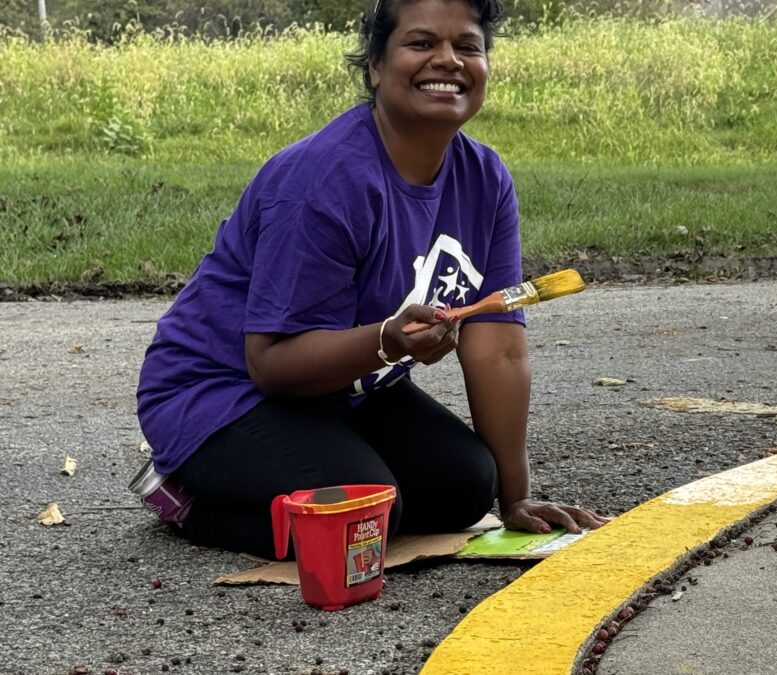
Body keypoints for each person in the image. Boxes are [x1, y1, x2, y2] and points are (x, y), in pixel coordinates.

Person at [134, 0, 607, 560]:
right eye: (422, 43)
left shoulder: (486, 179)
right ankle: (183, 497)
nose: (449, 60)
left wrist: (517, 499)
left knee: (466, 487)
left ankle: (322, 473)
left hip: (346, 393)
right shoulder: (323, 178)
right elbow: (271, 363)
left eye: (469, 46)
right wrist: (386, 340)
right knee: (365, 516)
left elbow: (498, 351)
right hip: (221, 394)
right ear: (376, 66)